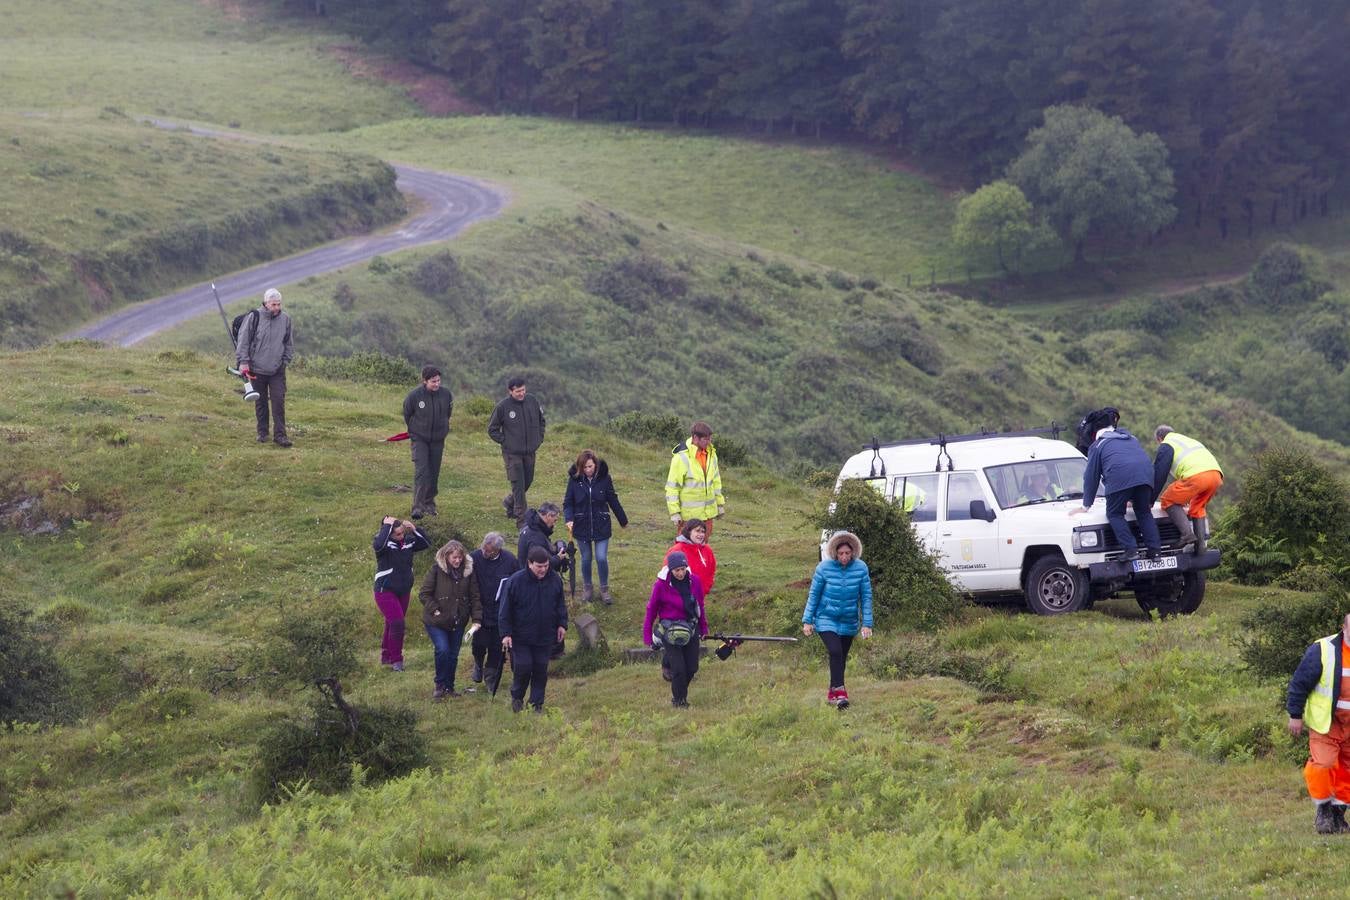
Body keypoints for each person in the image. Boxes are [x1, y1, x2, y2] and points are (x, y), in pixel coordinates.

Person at [1287, 613, 1350, 834]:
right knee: (1322, 766)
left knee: (1347, 773)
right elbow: (1299, 683)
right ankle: (1323, 811)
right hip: (1327, 724)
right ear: (1344, 628)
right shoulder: (1323, 649)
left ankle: (1338, 816)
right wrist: (1295, 715)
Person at [801, 531, 874, 709]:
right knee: (835, 651)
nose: (844, 557)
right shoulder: (823, 568)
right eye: (841, 553)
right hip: (826, 618)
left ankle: (833, 693)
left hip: (849, 620)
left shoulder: (861, 568)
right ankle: (841, 693)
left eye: (847, 553)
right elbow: (814, 595)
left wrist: (867, 623)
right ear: (834, 552)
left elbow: (866, 596)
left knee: (841, 658)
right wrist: (807, 620)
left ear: (853, 552)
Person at [1071, 420, 1162, 560]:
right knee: (1143, 512)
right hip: (1146, 477)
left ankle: (1131, 550)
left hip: (1119, 479)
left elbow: (1091, 477)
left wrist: (1086, 505)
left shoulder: (1098, 445)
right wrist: (1131, 497)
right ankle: (1155, 551)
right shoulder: (1131, 438)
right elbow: (1135, 463)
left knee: (1114, 513)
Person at [499, 546, 568, 713]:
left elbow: (560, 605)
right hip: (520, 635)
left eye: (546, 566)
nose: (543, 569)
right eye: (539, 566)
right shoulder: (515, 581)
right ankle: (517, 697)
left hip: (545, 635)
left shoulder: (555, 580)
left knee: (540, 669)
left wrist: (562, 624)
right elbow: (505, 609)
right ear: (529, 564)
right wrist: (506, 633)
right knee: (523, 667)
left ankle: (536, 703)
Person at [643, 550, 709, 708]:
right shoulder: (660, 585)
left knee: (692, 667)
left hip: (691, 628)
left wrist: (703, 628)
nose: (680, 573)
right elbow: (651, 610)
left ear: (687, 567)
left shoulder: (695, 581)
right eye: (676, 570)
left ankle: (677, 687)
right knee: (679, 669)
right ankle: (679, 701)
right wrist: (647, 636)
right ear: (670, 570)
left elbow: (700, 605)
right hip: (669, 631)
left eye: (683, 569)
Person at [418, 539, 482, 700]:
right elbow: (424, 594)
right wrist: (436, 610)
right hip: (436, 621)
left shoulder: (469, 572)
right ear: (446, 556)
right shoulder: (436, 570)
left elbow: (475, 597)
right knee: (443, 650)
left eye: (460, 557)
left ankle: (449, 687)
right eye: (454, 557)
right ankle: (439, 685)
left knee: (453, 655)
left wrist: (477, 619)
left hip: (458, 621)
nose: (457, 560)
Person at [563, 449, 628, 604]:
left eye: (590, 467)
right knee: (586, 559)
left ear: (595, 465)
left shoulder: (605, 479)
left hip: (601, 525)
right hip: (581, 526)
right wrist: (569, 518)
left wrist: (623, 520)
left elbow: (612, 500)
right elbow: (568, 503)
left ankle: (604, 589)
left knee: (600, 558)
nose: (587, 470)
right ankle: (587, 588)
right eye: (584, 467)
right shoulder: (574, 480)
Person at [236, 287, 294, 447]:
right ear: (266, 303)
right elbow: (243, 341)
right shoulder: (254, 317)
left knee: (278, 401)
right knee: (260, 402)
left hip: (277, 370)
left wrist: (285, 361)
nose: (277, 308)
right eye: (274, 304)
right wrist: (243, 362)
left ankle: (280, 436)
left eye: (279, 304)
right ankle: (262, 433)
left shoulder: (286, 319)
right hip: (256, 370)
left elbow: (288, 343)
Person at [371, 515, 430, 672]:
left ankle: (386, 655)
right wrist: (385, 526)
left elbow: (426, 543)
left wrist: (414, 529)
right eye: (397, 534)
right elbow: (378, 546)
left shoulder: (408, 542)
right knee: (397, 623)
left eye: (402, 533)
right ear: (389, 533)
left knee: (391, 623)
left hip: (404, 589)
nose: (401, 536)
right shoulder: (384, 545)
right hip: (385, 590)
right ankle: (397, 660)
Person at [1153, 425, 1224, 553]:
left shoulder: (1167, 444)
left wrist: (1150, 499)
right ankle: (1200, 547)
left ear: (1159, 439)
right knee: (1197, 508)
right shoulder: (1187, 440)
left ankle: (1186, 535)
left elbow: (1159, 475)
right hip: (1216, 475)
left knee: (1168, 499)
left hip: (1197, 476)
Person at [487, 377, 546, 528]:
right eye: (518, 391)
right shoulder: (503, 407)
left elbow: (541, 421)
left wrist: (539, 438)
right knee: (518, 485)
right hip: (512, 454)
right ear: (510, 391)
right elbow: (492, 429)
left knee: (527, 481)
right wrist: (506, 441)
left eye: (523, 390)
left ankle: (509, 502)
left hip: (530, 451)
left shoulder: (532, 401)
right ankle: (522, 521)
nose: (521, 393)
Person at [402, 365, 453, 520]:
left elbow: (448, 414)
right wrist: (415, 430)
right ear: (424, 381)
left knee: (433, 473)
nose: (436, 384)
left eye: (438, 380)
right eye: (433, 381)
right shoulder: (414, 396)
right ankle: (417, 507)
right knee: (422, 472)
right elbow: (407, 414)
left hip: (438, 440)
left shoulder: (446, 395)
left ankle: (429, 504)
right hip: (420, 439)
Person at [469, 532, 517, 696]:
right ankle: (478, 663)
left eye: (489, 551)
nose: (485, 553)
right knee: (479, 643)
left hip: (500, 610)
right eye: (483, 548)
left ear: (498, 550)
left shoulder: (510, 561)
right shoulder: (474, 558)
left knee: (497, 646)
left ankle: (491, 677)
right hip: (480, 609)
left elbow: (516, 583)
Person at [665, 421, 725, 536]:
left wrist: (720, 504)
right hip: (689, 518)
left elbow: (716, 482)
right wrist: (674, 513)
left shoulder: (712, 454)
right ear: (695, 438)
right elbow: (672, 488)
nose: (709, 442)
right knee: (684, 549)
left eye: (710, 439)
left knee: (702, 548)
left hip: (707, 516)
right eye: (705, 439)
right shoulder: (681, 457)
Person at [665, 518, 717, 597]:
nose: (700, 534)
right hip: (679, 596)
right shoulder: (677, 550)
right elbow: (667, 573)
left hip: (699, 596)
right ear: (689, 532)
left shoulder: (707, 550)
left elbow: (711, 570)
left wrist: (705, 588)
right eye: (697, 531)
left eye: (703, 531)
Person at [517, 501, 569, 573]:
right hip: (533, 578)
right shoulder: (536, 537)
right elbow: (540, 563)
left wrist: (555, 546)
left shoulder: (531, 526)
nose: (555, 524)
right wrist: (558, 558)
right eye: (555, 520)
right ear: (548, 516)